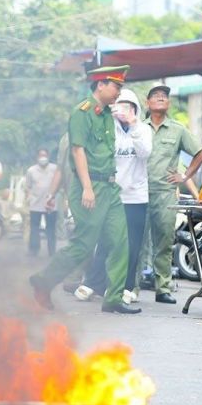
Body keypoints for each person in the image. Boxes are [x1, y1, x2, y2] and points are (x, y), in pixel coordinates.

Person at [29, 65, 141, 315]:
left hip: (110, 187)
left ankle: (112, 298)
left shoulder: (107, 116)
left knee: (122, 241)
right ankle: (43, 280)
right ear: (100, 85)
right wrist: (88, 188)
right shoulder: (82, 113)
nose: (118, 92)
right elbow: (77, 150)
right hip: (90, 187)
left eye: (121, 87)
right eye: (116, 87)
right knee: (83, 243)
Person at [75, 88, 153, 303]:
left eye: (129, 106)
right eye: (120, 106)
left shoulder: (144, 129)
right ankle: (93, 283)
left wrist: (133, 124)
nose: (124, 111)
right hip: (112, 195)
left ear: (136, 109)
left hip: (136, 196)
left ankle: (126, 287)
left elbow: (145, 152)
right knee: (106, 241)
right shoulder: (108, 129)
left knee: (133, 245)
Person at [144, 83, 202, 304]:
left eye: (164, 96)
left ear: (168, 103)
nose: (161, 98)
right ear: (147, 103)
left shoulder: (178, 129)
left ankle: (162, 288)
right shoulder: (139, 128)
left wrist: (185, 177)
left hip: (165, 192)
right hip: (139, 192)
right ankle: (129, 287)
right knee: (137, 241)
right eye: (156, 95)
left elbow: (200, 152)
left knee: (164, 240)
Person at [24, 148, 58, 256]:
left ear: (48, 156)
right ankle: (34, 250)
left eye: (45, 155)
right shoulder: (31, 171)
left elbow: (59, 183)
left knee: (51, 229)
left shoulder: (55, 169)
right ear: (37, 157)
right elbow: (28, 187)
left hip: (51, 204)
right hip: (35, 204)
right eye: (40, 155)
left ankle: (52, 251)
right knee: (34, 228)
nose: (43, 158)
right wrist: (28, 198)